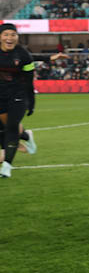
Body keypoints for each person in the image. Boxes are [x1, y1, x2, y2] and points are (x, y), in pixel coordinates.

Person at [0, 23, 37, 178]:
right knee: (5, 125)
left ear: (17, 37)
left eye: (13, 35)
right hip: (1, 96)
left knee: (11, 128)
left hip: (18, 95)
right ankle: (26, 136)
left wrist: (31, 102)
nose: (9, 38)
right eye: (6, 34)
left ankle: (7, 166)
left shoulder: (23, 55)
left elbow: (29, 81)